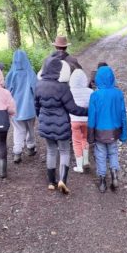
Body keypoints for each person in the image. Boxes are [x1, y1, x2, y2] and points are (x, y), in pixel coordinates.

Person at [35, 58, 87, 194]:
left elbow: (36, 107)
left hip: (46, 124)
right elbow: (73, 109)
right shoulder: (63, 87)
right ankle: (62, 180)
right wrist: (89, 111)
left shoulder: (38, 85)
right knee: (64, 151)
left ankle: (51, 182)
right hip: (61, 125)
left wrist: (42, 119)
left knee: (51, 150)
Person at [87, 65, 127, 193]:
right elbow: (123, 114)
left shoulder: (95, 95)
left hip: (99, 132)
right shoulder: (118, 93)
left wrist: (90, 136)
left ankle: (102, 181)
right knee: (113, 152)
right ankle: (114, 174)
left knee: (100, 155)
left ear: (98, 79)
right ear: (112, 78)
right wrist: (124, 134)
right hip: (114, 130)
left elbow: (91, 117)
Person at [5, 50, 37, 163]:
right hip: (30, 108)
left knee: (18, 130)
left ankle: (17, 152)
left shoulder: (10, 75)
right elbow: (36, 90)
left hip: (15, 109)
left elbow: (7, 92)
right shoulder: (30, 73)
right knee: (30, 128)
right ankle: (31, 147)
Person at [69, 68, 93, 173]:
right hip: (87, 120)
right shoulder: (90, 91)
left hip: (74, 120)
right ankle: (86, 161)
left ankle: (79, 166)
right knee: (85, 139)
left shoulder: (69, 92)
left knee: (76, 142)